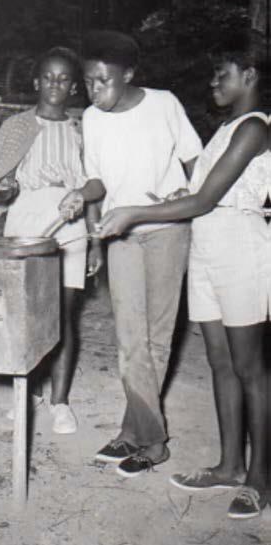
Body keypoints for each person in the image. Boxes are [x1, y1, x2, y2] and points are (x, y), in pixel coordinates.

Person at [97, 39, 270, 519]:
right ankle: (230, 465)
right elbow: (196, 193)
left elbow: (205, 201)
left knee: (250, 368)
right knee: (220, 363)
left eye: (224, 73)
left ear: (250, 75)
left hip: (241, 249)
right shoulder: (226, 129)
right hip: (208, 248)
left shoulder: (255, 127)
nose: (214, 82)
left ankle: (261, 479)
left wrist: (135, 212)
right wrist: (176, 192)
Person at [59, 30, 203, 476]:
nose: (94, 90)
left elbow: (195, 160)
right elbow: (99, 178)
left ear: (129, 74)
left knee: (156, 340)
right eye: (88, 82)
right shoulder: (93, 119)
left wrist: (190, 191)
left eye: (103, 80)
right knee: (129, 341)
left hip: (167, 231)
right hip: (120, 234)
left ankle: (134, 432)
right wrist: (81, 195)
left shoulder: (164, 104)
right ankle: (153, 439)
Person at [0, 46, 103, 434]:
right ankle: (27, 391)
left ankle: (60, 401)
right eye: (48, 77)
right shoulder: (15, 127)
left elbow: (96, 185)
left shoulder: (85, 129)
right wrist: (3, 194)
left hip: (70, 224)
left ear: (74, 87)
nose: (55, 85)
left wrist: (96, 239)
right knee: (28, 314)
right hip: (26, 222)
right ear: (35, 82)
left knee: (63, 317)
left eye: (64, 79)